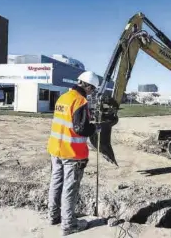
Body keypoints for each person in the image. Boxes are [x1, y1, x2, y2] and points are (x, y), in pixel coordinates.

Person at [46, 71, 101, 236]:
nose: (92, 92)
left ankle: (53, 216)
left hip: (56, 150)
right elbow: (81, 129)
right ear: (88, 86)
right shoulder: (80, 101)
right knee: (70, 188)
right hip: (72, 153)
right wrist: (95, 127)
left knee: (56, 183)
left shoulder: (63, 98)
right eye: (93, 89)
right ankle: (69, 224)